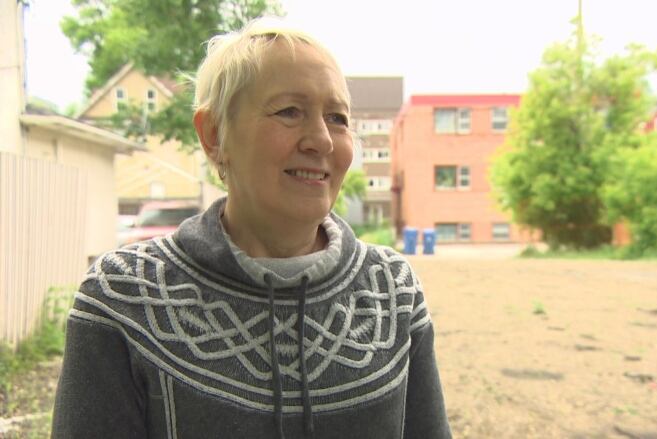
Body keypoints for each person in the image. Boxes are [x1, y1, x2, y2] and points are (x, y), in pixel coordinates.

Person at [51, 20, 451, 439]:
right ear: (213, 135)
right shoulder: (123, 297)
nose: (322, 140)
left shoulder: (392, 291)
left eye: (337, 118)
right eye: (289, 112)